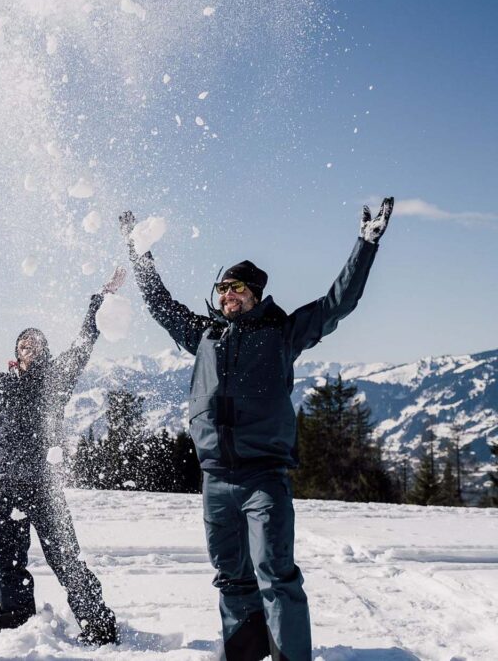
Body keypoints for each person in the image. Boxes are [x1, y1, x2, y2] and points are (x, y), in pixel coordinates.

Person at [119, 198, 394, 661]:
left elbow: (337, 303)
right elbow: (159, 304)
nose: (230, 296)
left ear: (256, 295)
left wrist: (365, 246)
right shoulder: (203, 334)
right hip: (215, 479)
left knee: (274, 573)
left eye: (240, 290)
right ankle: (245, 653)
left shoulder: (281, 333)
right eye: (225, 288)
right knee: (231, 577)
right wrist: (137, 251)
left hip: (263, 477)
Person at [0, 267, 127, 646]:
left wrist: (101, 299)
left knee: (67, 560)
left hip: (45, 487)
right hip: (7, 485)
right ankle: (16, 628)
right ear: (16, 354)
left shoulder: (58, 378)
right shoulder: (6, 384)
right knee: (9, 564)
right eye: (23, 344)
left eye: (37, 342)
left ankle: (99, 625)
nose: (30, 347)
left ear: (45, 351)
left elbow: (84, 343)